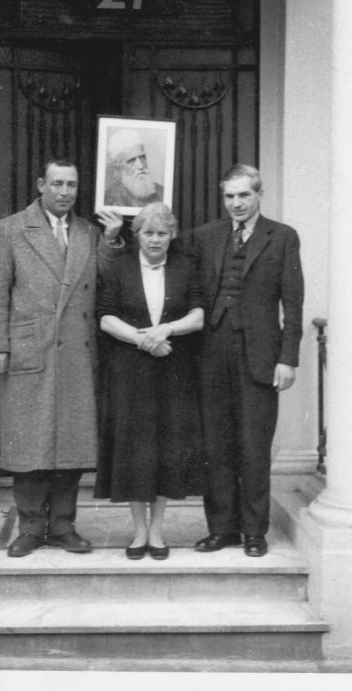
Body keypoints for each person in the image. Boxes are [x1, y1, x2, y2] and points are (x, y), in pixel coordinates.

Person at [0, 158, 124, 557]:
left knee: (71, 445)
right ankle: (29, 528)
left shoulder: (89, 232)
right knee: (29, 442)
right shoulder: (8, 230)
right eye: (58, 183)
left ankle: (63, 526)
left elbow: (107, 280)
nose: (65, 192)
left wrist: (113, 240)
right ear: (41, 184)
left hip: (78, 353)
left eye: (72, 185)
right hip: (30, 350)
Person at [188, 164, 304, 557]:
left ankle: (254, 532)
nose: (236, 203)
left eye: (244, 195)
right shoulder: (206, 236)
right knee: (216, 447)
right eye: (229, 196)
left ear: (259, 195)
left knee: (254, 447)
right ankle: (222, 529)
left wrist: (288, 359)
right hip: (212, 352)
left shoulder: (283, 237)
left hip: (260, 356)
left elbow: (293, 303)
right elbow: (159, 242)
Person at [94, 203, 205, 560]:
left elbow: (198, 316)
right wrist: (144, 340)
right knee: (134, 451)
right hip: (130, 371)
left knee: (164, 450)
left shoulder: (186, 268)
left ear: (171, 235)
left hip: (173, 369)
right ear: (136, 235)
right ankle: (138, 532)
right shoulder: (119, 267)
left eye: (161, 233)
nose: (155, 239)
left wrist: (165, 331)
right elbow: (106, 318)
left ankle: (157, 532)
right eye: (147, 232)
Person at [104, 128, 164, 208]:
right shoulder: (109, 198)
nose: (141, 166)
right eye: (131, 161)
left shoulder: (162, 192)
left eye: (142, 157)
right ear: (119, 169)